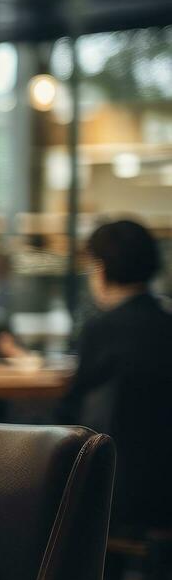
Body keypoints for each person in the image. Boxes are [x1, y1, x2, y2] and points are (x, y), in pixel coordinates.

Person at [58, 219, 172, 533]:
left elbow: (72, 408)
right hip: (164, 487)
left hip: (118, 491)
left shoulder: (102, 329)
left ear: (101, 269)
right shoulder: (166, 323)